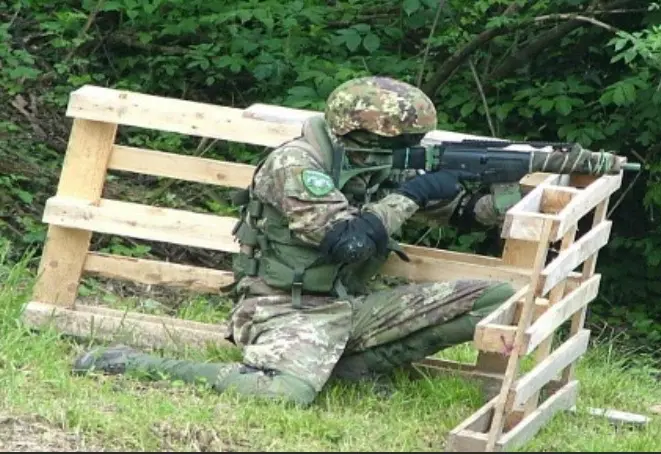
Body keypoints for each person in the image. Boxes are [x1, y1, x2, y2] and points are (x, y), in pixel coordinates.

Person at [72, 76, 519, 406]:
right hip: (284, 307)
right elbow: (348, 243)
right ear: (356, 132)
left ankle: (348, 370)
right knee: (284, 395)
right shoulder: (297, 166)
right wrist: (413, 193)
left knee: (496, 297)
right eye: (397, 142)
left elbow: (466, 214)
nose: (405, 151)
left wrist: (507, 187)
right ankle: (132, 362)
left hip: (350, 305)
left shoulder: (377, 163)